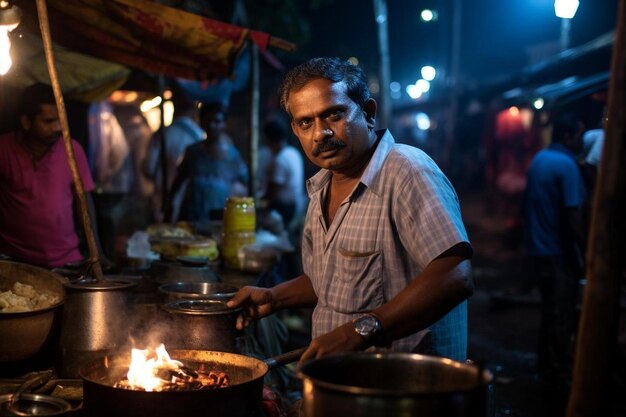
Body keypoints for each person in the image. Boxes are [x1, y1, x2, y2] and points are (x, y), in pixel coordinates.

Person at [227, 57, 474, 364]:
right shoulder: (320, 188)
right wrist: (274, 297)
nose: (321, 134)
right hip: (342, 388)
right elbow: (329, 282)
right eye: (306, 122)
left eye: (334, 115)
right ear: (295, 130)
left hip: (404, 390)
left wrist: (360, 331)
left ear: (368, 113)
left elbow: (454, 276)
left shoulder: (407, 172)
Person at [0, 83, 105, 269]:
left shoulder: (72, 150)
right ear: (26, 122)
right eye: (48, 121)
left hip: (66, 261)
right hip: (15, 261)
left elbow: (84, 202)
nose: (57, 128)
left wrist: (96, 250)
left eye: (60, 120)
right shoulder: (4, 149)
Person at [523, 112, 586, 383]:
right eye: (579, 136)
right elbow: (573, 216)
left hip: (539, 249)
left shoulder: (540, 159)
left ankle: (544, 363)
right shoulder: (567, 165)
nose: (581, 142)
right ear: (568, 136)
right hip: (557, 251)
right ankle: (560, 371)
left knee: (550, 309)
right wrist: (588, 252)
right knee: (561, 312)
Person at [167, 102, 248, 222]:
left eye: (217, 121)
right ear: (201, 122)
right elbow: (178, 181)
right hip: (192, 216)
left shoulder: (233, 156)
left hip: (220, 217)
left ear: (224, 124)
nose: (212, 125)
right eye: (207, 120)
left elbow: (245, 184)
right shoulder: (192, 152)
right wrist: (169, 205)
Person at [145, 87, 205, 222]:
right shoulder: (199, 136)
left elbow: (149, 168)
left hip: (162, 193)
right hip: (189, 198)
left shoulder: (162, 134)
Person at [258, 118, 306, 229]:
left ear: (267, 139)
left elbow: (272, 193)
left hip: (285, 209)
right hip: (297, 204)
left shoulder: (280, 159)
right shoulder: (293, 152)